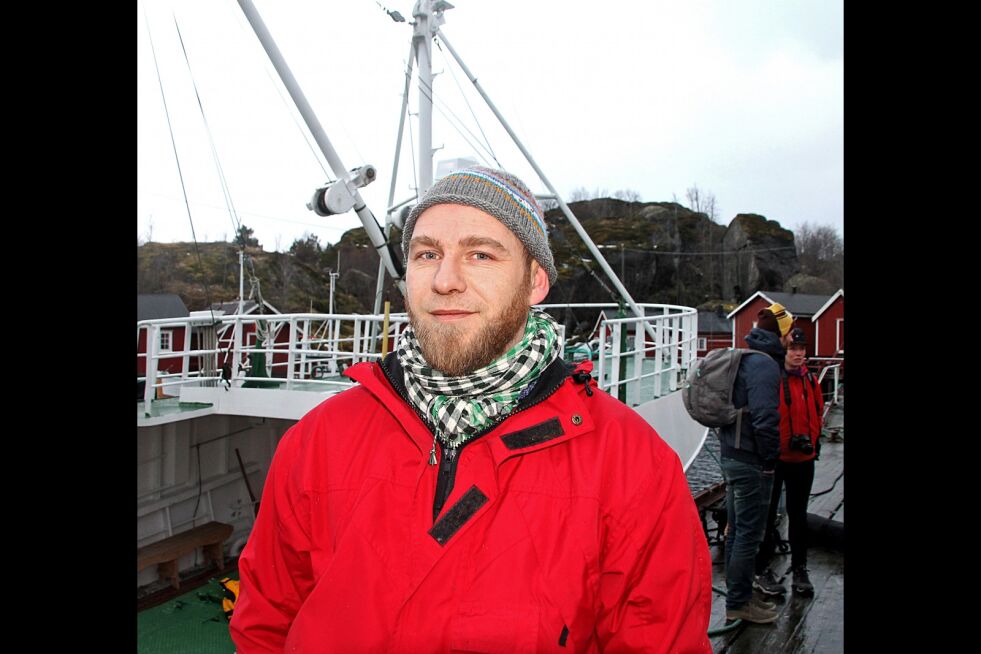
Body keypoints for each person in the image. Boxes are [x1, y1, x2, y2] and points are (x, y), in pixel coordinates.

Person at [229, 166, 712, 653]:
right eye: (427, 254)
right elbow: (265, 623)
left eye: (480, 254)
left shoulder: (631, 463)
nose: (445, 280)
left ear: (535, 282)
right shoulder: (319, 439)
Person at [716, 302, 793, 624]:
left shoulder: (746, 358)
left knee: (737, 534)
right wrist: (770, 459)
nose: (791, 340)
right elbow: (764, 419)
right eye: (789, 332)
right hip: (750, 462)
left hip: (732, 457)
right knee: (749, 534)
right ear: (781, 333)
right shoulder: (765, 366)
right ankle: (739, 603)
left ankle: (740, 597)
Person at [753, 327, 824, 597]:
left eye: (802, 349)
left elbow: (817, 413)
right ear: (784, 352)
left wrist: (814, 442)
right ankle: (762, 568)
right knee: (767, 516)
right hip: (776, 459)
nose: (798, 354)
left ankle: (800, 568)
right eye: (794, 349)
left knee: (798, 515)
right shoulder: (774, 380)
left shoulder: (811, 381)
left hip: (804, 459)